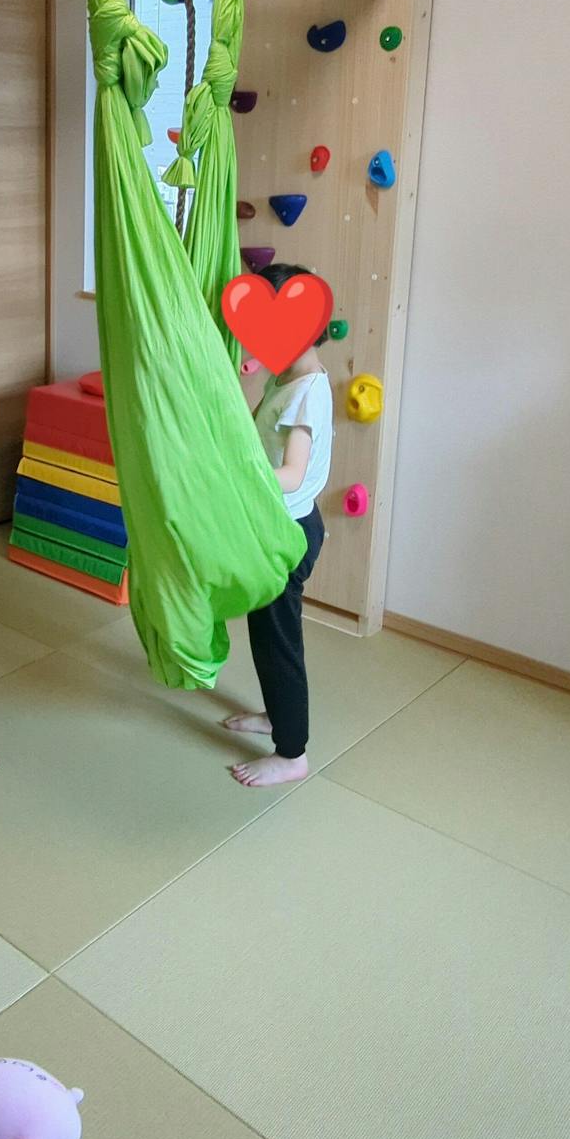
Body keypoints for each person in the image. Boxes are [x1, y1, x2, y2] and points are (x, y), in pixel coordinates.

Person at [225, 264, 333, 788]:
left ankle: (293, 754)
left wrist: (238, 474)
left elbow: (291, 474)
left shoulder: (306, 392)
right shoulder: (287, 376)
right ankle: (276, 716)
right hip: (276, 526)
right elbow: (258, 430)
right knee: (266, 633)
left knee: (278, 641)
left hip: (290, 534)